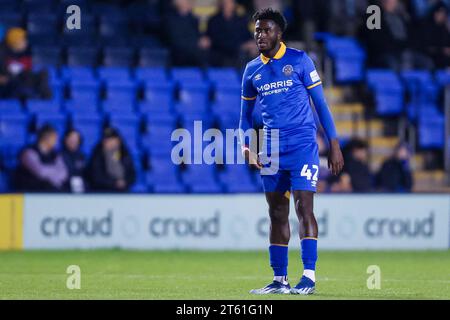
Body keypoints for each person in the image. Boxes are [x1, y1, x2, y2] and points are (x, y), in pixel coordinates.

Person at [239, 8, 344, 295]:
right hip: (271, 150)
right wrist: (247, 147)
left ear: (279, 33)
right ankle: (280, 280)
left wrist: (334, 144)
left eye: (266, 30)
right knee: (276, 213)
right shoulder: (252, 69)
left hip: (302, 147)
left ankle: (308, 276)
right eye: (257, 30)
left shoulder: (299, 60)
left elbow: (321, 105)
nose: (260, 34)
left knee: (303, 207)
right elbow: (245, 117)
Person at [0, 27, 51, 99]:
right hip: (7, 87)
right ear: (15, 41)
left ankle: (44, 100)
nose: (25, 42)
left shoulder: (21, 52)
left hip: (18, 80)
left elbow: (23, 69)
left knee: (42, 73)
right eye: (23, 40)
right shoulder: (2, 53)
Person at [15, 124, 68, 192]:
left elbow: (64, 173)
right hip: (30, 192)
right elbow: (40, 171)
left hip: (50, 191)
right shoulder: (28, 152)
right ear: (46, 137)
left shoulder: (55, 154)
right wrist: (55, 171)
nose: (56, 141)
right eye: (55, 138)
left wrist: (50, 174)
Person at [206, 0, 256, 67]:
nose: (227, 5)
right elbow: (216, 41)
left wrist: (252, 45)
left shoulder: (241, 20)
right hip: (221, 53)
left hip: (240, 53)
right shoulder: (214, 20)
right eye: (225, 2)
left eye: (230, 2)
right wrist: (240, 46)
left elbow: (247, 36)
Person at [86, 127, 136, 192]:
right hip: (102, 192)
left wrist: (125, 182)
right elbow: (96, 177)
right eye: (106, 140)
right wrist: (114, 183)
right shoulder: (97, 155)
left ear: (118, 140)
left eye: (111, 139)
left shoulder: (124, 154)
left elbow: (132, 175)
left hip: (123, 191)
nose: (109, 142)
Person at [164, 0, 211, 66]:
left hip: (194, 53)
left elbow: (199, 35)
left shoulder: (194, 19)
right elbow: (176, 41)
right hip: (179, 54)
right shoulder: (170, 19)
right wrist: (197, 43)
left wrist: (204, 40)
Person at [61, 129, 87, 193]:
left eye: (75, 139)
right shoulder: (58, 156)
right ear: (65, 140)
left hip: (83, 188)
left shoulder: (82, 156)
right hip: (64, 189)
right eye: (71, 138)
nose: (73, 141)